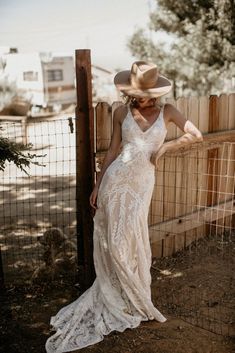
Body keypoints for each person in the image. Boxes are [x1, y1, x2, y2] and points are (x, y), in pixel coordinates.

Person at [45, 61, 203, 353]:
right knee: (114, 242)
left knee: (131, 237)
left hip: (142, 183)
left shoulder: (167, 112)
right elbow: (112, 152)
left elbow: (195, 134)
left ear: (155, 91)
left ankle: (135, 296)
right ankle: (117, 295)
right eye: (135, 92)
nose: (139, 97)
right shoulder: (121, 112)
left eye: (144, 92)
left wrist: (166, 147)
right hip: (116, 181)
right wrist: (97, 184)